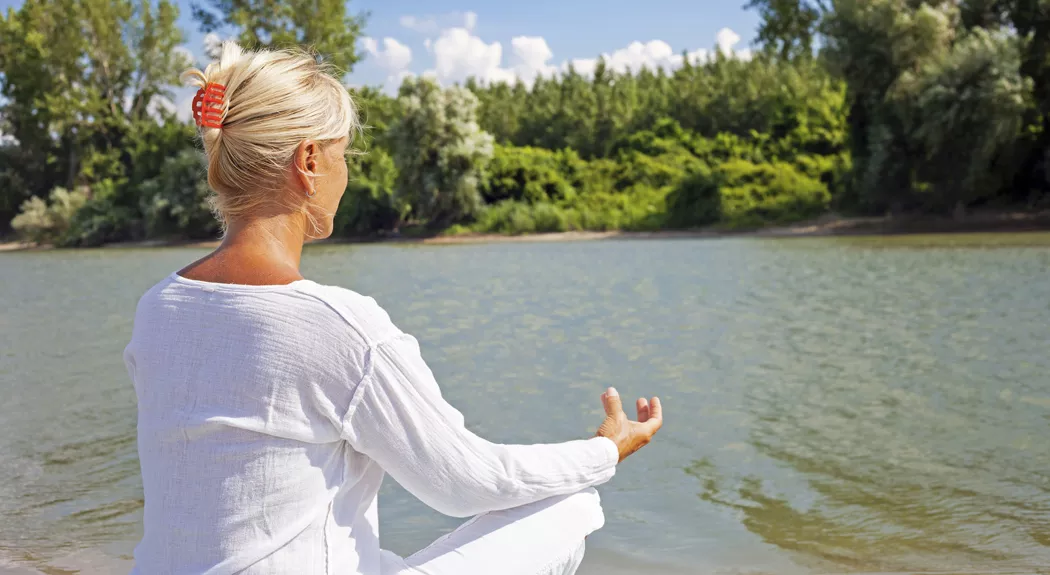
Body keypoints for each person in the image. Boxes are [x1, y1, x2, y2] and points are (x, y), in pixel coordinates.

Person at [123, 42, 663, 575]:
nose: (346, 174)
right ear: (309, 161)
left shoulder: (157, 308)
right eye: (344, 155)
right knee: (569, 507)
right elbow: (465, 481)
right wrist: (604, 451)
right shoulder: (339, 326)